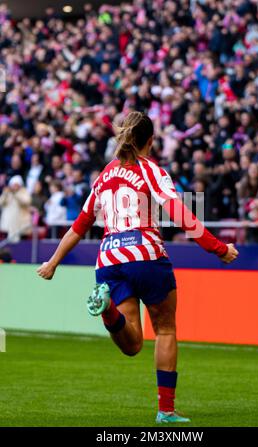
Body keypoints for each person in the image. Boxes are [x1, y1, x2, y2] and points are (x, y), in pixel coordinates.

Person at [37, 112, 238, 424]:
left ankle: (107, 311)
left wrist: (52, 263)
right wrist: (219, 248)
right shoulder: (152, 171)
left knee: (131, 343)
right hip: (145, 254)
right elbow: (182, 216)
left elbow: (79, 226)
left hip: (108, 261)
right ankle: (165, 411)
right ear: (151, 141)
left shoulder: (103, 176)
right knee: (166, 329)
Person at [0, 175, 31, 241]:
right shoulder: (7, 193)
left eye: (16, 185)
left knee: (21, 245)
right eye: (13, 185)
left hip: (21, 225)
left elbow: (26, 202)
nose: (14, 186)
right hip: (8, 225)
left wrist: (15, 194)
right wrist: (5, 194)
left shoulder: (24, 192)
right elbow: (1, 203)